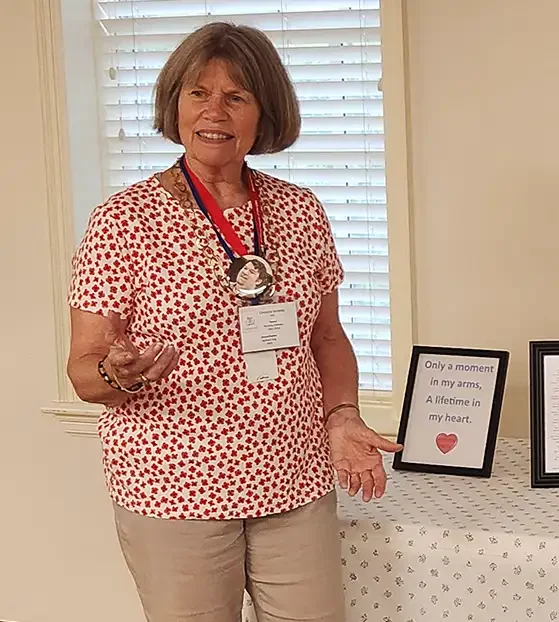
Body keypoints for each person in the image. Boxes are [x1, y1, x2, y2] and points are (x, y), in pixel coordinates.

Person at [65, 22, 402, 622]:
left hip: (294, 477)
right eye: (198, 93)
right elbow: (85, 372)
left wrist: (343, 415)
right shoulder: (124, 219)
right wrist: (119, 374)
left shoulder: (299, 209)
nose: (214, 111)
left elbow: (325, 336)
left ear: (263, 112)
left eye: (236, 95)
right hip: (174, 488)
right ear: (174, 105)